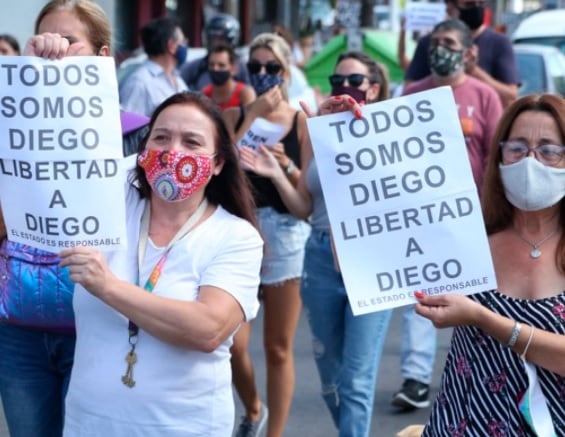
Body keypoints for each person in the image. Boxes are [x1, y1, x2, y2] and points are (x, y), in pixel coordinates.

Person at [58, 91, 263, 435]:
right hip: (89, 425)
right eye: (162, 138)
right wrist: (48, 70)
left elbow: (208, 329)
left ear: (217, 163)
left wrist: (108, 287)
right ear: (142, 151)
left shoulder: (236, 237)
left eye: (192, 142)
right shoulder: (107, 207)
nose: (173, 152)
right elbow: (56, 149)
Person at [239, 51, 392, 437]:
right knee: (331, 380)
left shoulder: (391, 133)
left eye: (355, 81)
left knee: (356, 381)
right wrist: (277, 173)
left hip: (371, 259)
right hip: (321, 256)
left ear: (373, 89)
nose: (345, 88)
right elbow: (305, 207)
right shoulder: (318, 130)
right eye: (338, 80)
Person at [414, 93, 565, 435]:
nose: (531, 160)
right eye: (517, 148)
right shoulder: (467, 241)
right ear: (499, 155)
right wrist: (341, 141)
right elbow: (360, 257)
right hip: (462, 424)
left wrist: (483, 318)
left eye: (549, 150)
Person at [0, 2, 116, 436]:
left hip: (98, 326)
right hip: (19, 330)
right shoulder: (9, 127)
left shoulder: (137, 131)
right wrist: (22, 87)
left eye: (68, 42)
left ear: (102, 58)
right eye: (44, 41)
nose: (54, 51)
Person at [223, 32, 311, 437]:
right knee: (232, 344)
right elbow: (219, 169)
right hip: (239, 229)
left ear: (286, 71)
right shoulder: (230, 116)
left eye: (270, 68)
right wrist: (250, 114)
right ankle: (252, 407)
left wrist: (286, 166)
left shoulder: (300, 120)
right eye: (254, 68)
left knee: (277, 347)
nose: (261, 74)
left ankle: (274, 432)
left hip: (286, 232)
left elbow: (304, 200)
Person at [404, 0, 519, 108]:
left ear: (468, 53)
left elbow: (510, 97)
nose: (476, 8)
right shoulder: (430, 43)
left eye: (481, 3)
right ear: (450, 5)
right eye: (469, 4)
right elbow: (410, 93)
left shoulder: (499, 43)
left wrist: (473, 71)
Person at [119, 16, 189, 117]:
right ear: (171, 46)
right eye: (183, 42)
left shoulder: (176, 77)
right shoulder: (140, 82)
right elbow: (130, 126)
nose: (185, 46)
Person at [181, 13, 249, 90]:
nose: (217, 45)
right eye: (213, 40)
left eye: (221, 40)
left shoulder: (241, 66)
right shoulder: (197, 66)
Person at [202, 44, 255, 111]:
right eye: (211, 65)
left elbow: (251, 118)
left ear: (233, 69)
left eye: (221, 65)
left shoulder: (245, 93)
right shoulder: (205, 94)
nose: (215, 69)